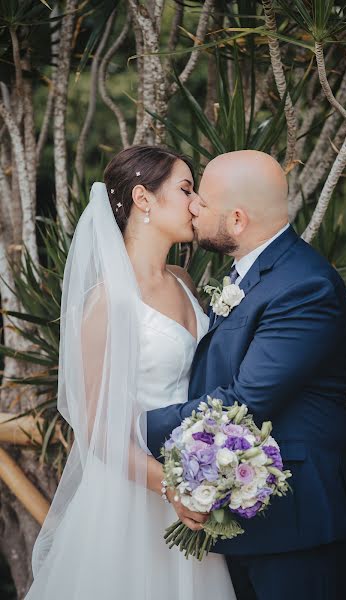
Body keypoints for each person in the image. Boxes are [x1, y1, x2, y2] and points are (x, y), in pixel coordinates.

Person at [145, 150, 346, 600]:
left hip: (298, 522)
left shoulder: (305, 286)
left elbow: (246, 401)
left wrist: (129, 425)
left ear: (238, 219)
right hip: (245, 516)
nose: (193, 209)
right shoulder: (249, 274)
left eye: (202, 203)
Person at [24, 145, 235, 599]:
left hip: (195, 479)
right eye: (184, 189)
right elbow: (98, 429)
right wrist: (174, 487)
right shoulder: (107, 303)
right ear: (143, 199)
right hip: (133, 497)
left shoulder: (183, 279)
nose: (196, 202)